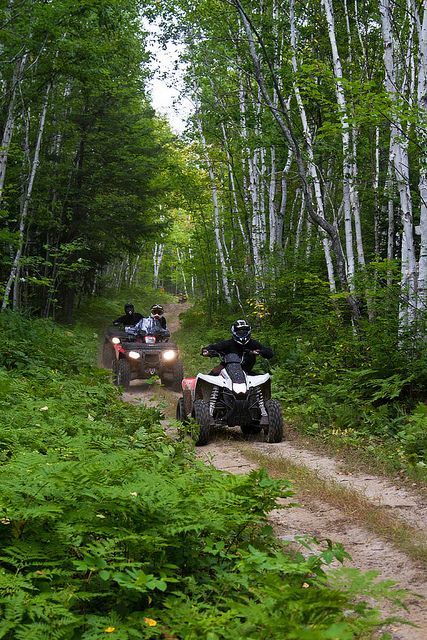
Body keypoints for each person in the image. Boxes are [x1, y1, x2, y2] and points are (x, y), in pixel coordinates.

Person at [201, 319, 273, 375]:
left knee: (263, 380)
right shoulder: (227, 344)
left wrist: (260, 352)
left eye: (244, 332)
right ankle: (201, 392)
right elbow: (213, 347)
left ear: (248, 332)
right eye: (239, 332)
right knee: (210, 377)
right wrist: (206, 351)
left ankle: (260, 395)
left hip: (246, 372)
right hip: (225, 370)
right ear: (234, 332)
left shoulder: (253, 344)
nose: (242, 334)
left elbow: (269, 353)